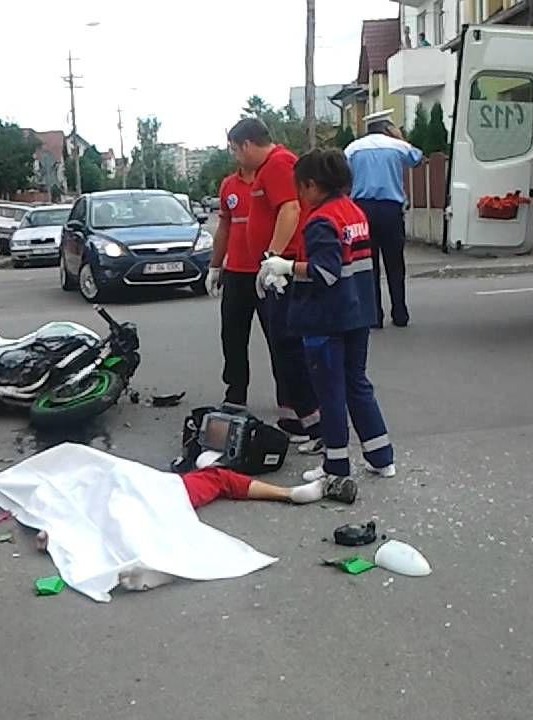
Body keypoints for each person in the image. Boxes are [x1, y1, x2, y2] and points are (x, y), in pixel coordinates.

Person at [259, 149, 396, 485]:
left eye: (300, 189)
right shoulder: (354, 212)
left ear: (311, 185)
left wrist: (286, 267)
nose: (300, 196)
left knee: (330, 393)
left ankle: (335, 465)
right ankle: (381, 457)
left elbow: (326, 272)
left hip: (326, 320)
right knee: (357, 385)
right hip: (357, 313)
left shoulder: (321, 221)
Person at [35, 463, 356, 591]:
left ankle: (148, 558)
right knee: (209, 482)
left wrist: (55, 533)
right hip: (148, 486)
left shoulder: (64, 486)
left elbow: (72, 504)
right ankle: (287, 494)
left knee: (126, 516)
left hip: (118, 492)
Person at [227, 117, 322, 448]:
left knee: (288, 345)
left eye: (236, 151)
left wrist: (273, 258)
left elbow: (290, 209)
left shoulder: (278, 164)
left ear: (248, 145)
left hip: (284, 268)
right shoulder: (270, 167)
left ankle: (313, 422)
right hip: (278, 268)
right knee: (284, 345)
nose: (237, 158)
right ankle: (299, 417)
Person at [345, 109, 424, 328]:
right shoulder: (397, 146)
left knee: (368, 264)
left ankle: (374, 315)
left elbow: (343, 173)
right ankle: (400, 313)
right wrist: (400, 138)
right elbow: (417, 159)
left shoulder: (353, 148)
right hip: (390, 209)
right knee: (395, 263)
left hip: (362, 210)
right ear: (388, 128)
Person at [207, 165, 269, 407]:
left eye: (237, 148)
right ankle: (235, 393)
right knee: (232, 337)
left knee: (279, 340)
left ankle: (291, 398)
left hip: (265, 271)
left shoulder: (268, 180)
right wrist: (215, 266)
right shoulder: (229, 185)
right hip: (235, 272)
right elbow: (224, 227)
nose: (236, 155)